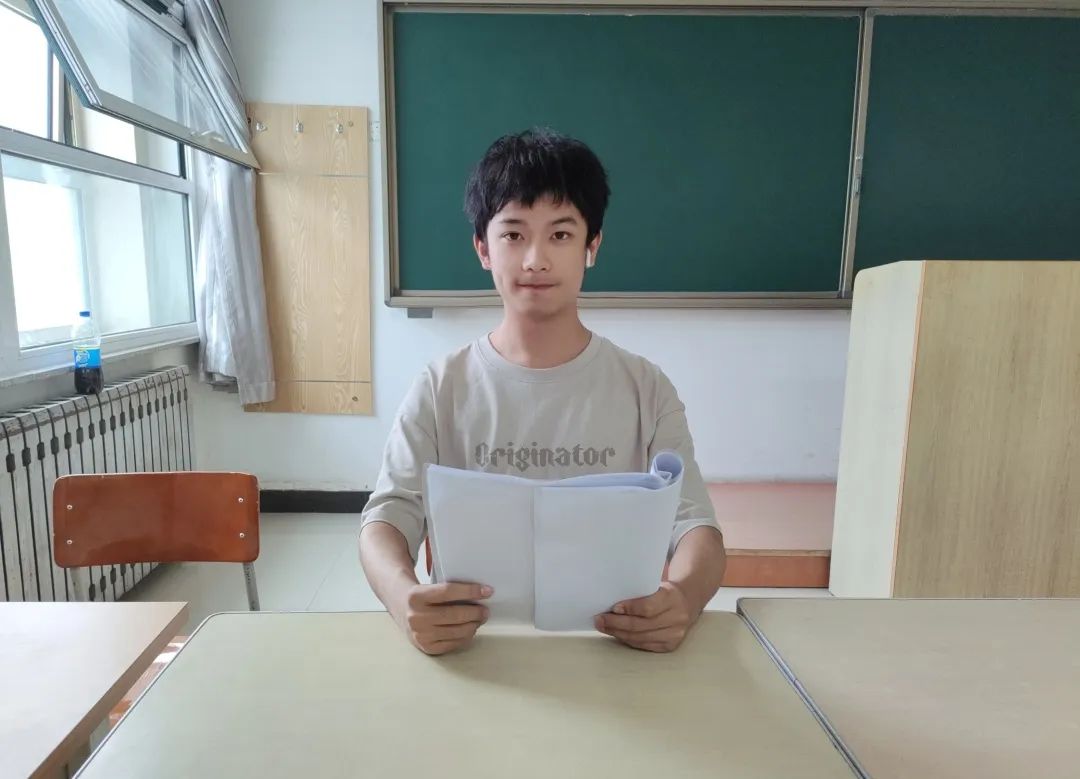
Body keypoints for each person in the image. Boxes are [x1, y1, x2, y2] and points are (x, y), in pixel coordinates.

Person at [359, 128, 726, 655]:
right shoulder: (441, 386)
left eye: (560, 234)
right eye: (513, 235)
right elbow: (386, 517)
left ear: (591, 246)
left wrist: (684, 598)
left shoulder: (645, 387)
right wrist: (402, 596)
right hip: (474, 649)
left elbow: (696, 527)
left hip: (614, 649)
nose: (535, 259)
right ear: (483, 248)